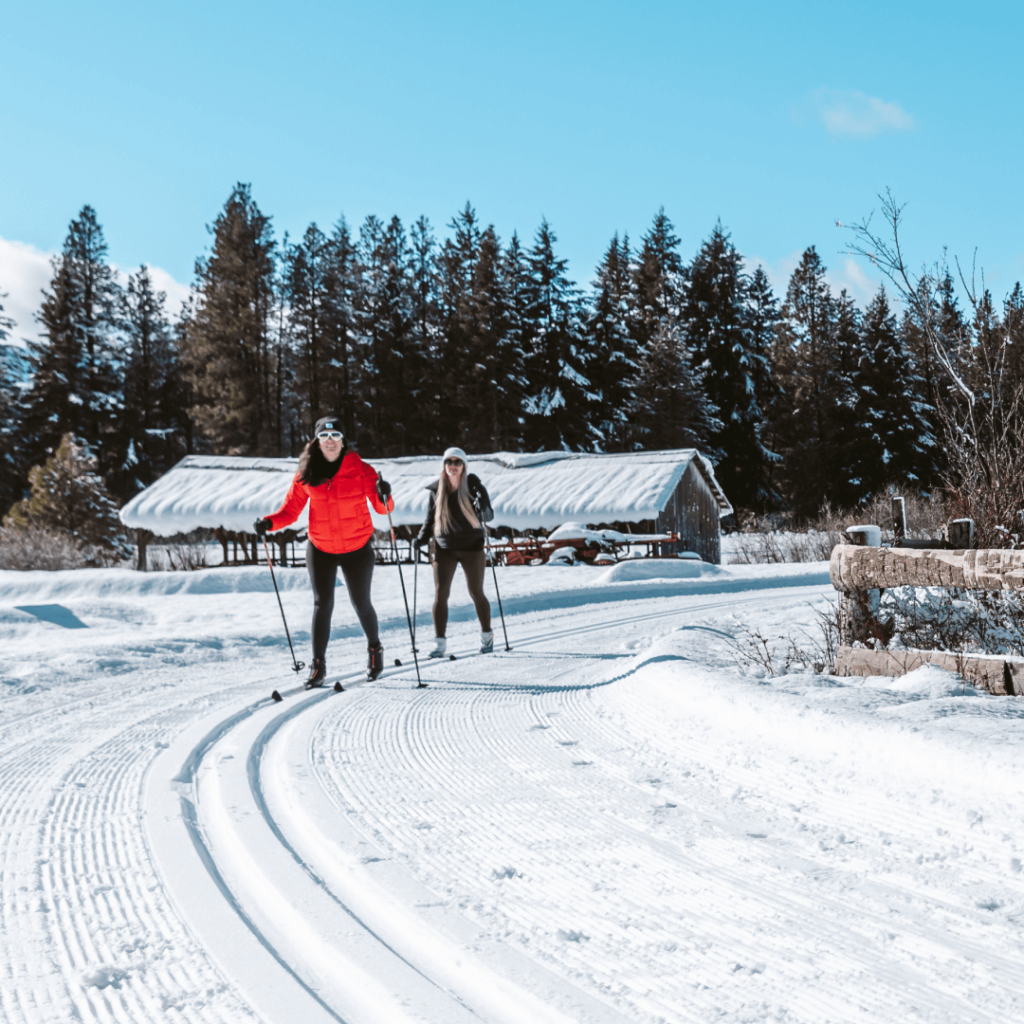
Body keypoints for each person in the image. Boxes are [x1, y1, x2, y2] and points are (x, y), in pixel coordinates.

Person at [254, 416, 393, 687]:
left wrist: (384, 494)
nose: (330, 442)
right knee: (322, 604)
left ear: (343, 441)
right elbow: (290, 511)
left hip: (357, 547)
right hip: (321, 547)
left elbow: (382, 509)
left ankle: (375, 651)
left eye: (335, 436)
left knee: (361, 602)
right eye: (324, 437)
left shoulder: (362, 470)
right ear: (316, 442)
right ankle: (318, 667)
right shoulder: (307, 472)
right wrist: (269, 522)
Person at [414, 447, 495, 657]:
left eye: (457, 462)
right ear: (444, 465)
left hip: (472, 548)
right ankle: (439, 644)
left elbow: (489, 516)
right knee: (441, 594)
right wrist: (421, 538)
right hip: (444, 548)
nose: (453, 466)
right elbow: (430, 519)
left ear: (464, 465)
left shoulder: (473, 487)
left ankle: (487, 636)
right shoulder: (436, 490)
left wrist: (481, 503)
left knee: (476, 592)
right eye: (449, 462)